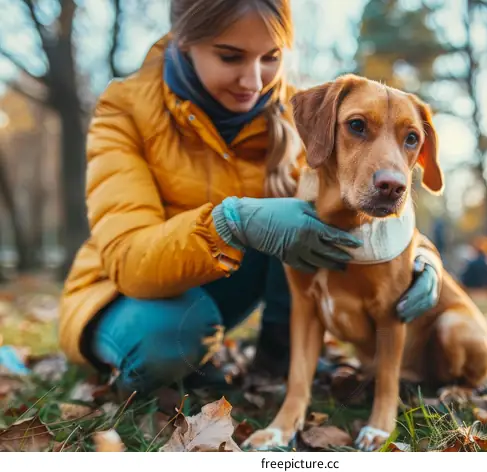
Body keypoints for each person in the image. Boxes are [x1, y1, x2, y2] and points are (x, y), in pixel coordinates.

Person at [58, 0, 445, 398]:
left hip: (218, 288)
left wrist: (422, 256)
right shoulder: (124, 110)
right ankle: (167, 367)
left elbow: (350, 201)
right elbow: (128, 257)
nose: (254, 81)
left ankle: (277, 360)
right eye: (230, 57)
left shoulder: (306, 113)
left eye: (270, 57)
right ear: (185, 43)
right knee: (167, 342)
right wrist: (233, 222)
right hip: (122, 293)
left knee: (302, 218)